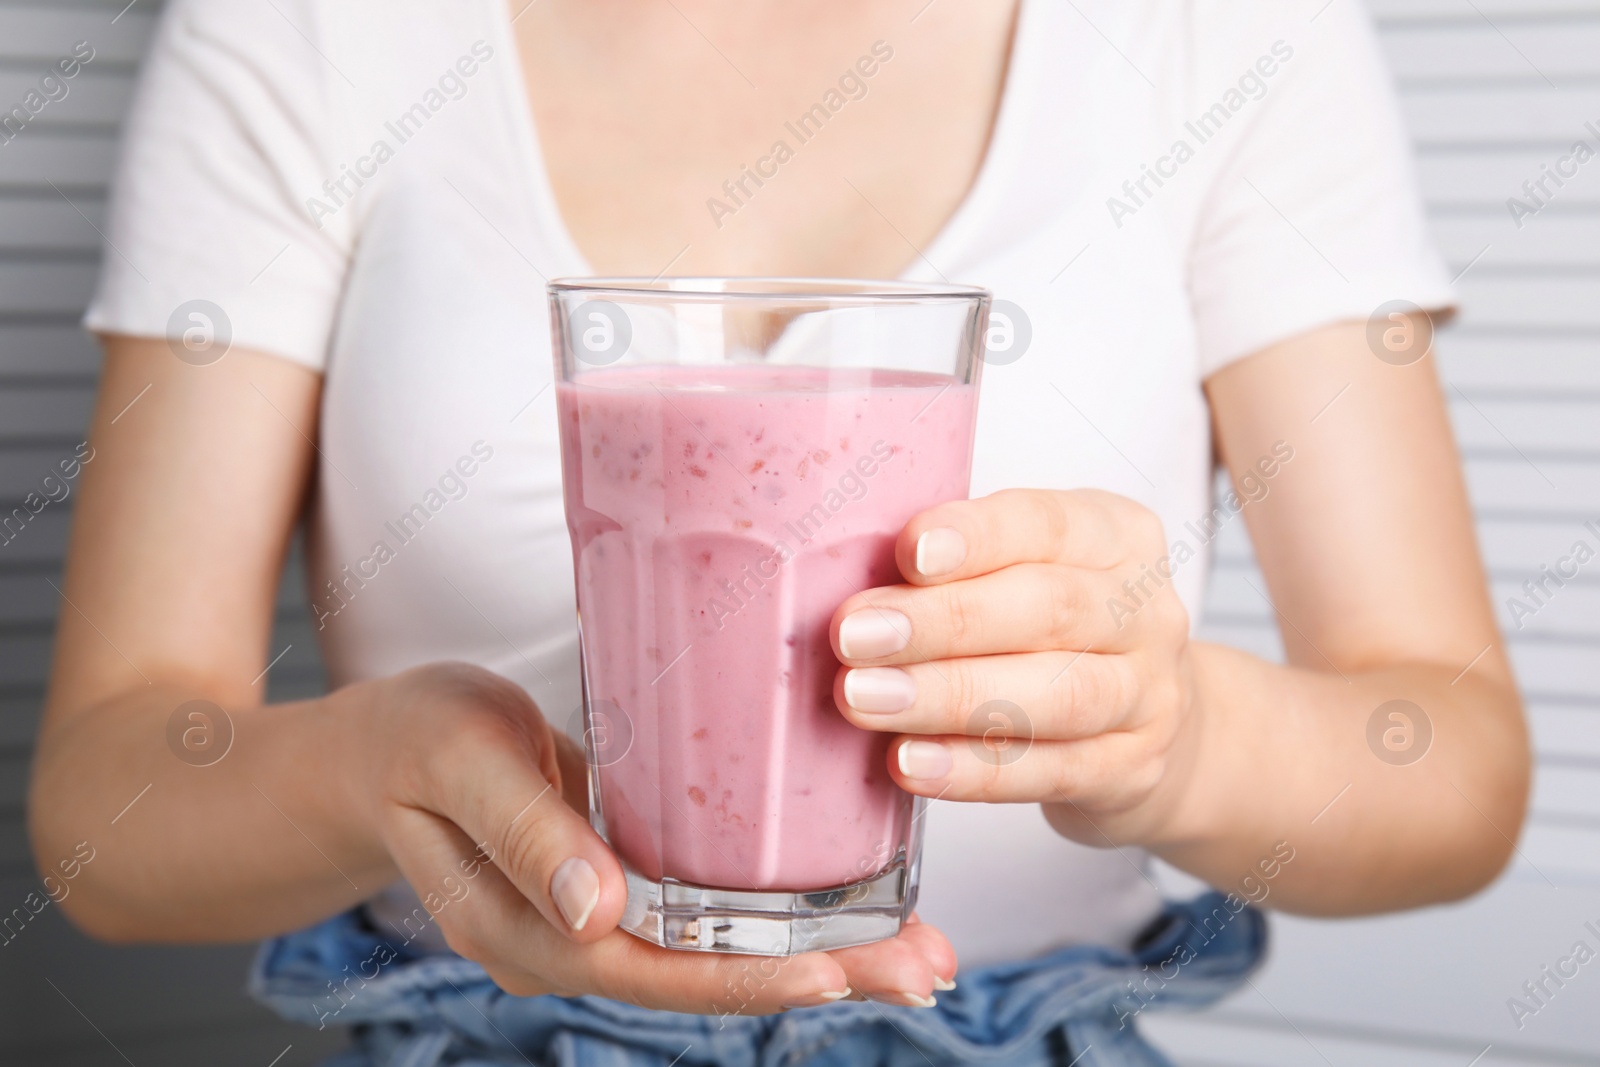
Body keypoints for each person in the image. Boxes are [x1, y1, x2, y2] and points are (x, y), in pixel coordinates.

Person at [30, 0, 1529, 1063]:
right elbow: (109, 808)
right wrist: (382, 769)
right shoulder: (306, 27)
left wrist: (1180, 738)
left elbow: (1449, 766)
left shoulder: (1221, 30)